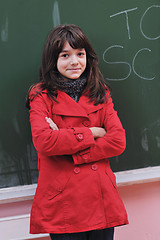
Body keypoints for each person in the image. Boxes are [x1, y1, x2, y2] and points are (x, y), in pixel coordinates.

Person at [26, 24, 128, 240]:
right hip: (64, 202)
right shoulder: (41, 95)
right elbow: (44, 141)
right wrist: (93, 131)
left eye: (80, 54)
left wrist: (67, 145)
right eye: (65, 55)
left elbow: (118, 141)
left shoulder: (100, 91)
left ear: (87, 57)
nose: (74, 62)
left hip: (100, 197)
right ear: (53, 60)